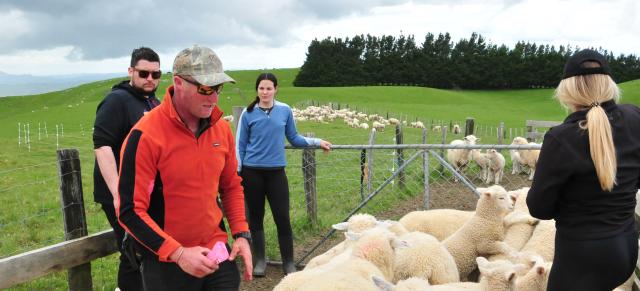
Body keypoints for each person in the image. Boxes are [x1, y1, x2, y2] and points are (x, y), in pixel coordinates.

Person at [117, 45, 253, 290]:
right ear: (178, 83)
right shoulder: (145, 135)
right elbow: (129, 211)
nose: (214, 98)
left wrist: (242, 234)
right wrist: (178, 253)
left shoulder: (221, 129)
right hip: (167, 262)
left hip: (216, 253)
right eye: (205, 89)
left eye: (218, 88)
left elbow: (231, 186)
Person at [526, 49, 640, 291]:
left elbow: (539, 207)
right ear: (609, 84)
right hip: (625, 249)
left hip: (580, 259)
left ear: (567, 89)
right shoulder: (634, 117)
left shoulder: (561, 138)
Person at [236, 72, 332, 276]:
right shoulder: (248, 113)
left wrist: (317, 142)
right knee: (255, 217)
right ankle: (260, 261)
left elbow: (294, 138)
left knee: (282, 217)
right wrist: (238, 171)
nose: (265, 92)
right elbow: (240, 145)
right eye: (261, 88)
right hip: (252, 172)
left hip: (276, 173)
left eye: (269, 88)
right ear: (257, 90)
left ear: (275, 89)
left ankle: (289, 262)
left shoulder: (285, 110)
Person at [93, 46, 161, 291]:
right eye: (144, 73)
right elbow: (102, 146)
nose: (150, 79)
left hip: (145, 192)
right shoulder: (117, 100)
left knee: (146, 248)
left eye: (156, 74)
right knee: (133, 251)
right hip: (121, 194)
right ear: (131, 71)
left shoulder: (154, 102)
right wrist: (118, 194)